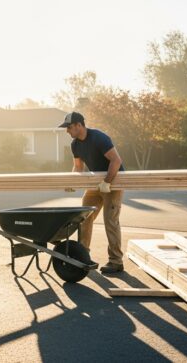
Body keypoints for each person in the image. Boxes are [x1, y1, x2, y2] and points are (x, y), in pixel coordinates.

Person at [59, 111, 126, 274]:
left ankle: (116, 262)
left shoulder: (99, 138)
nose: (67, 131)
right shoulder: (75, 144)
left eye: (69, 127)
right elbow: (78, 167)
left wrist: (107, 182)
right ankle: (83, 255)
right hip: (96, 183)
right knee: (84, 218)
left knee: (110, 221)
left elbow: (116, 161)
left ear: (79, 125)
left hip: (114, 181)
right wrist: (73, 182)